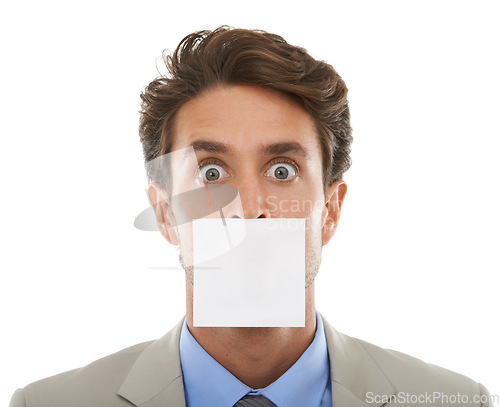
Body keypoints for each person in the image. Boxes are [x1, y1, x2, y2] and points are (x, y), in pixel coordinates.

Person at [10, 26, 492, 407]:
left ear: (331, 209)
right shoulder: (48, 403)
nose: (248, 208)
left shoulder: (459, 402)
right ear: (165, 212)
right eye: (212, 171)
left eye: (282, 169)